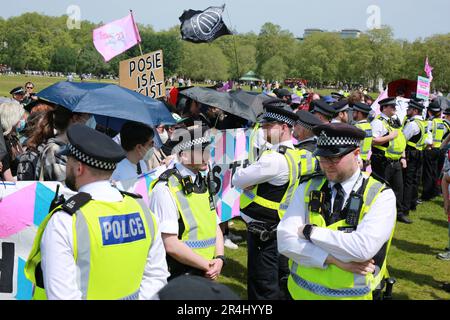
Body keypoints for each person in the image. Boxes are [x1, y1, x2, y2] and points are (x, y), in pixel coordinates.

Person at [25, 124, 169, 299]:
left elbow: (62, 296)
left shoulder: (66, 220)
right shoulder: (143, 212)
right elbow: (156, 278)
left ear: (79, 168)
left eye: (68, 161)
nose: (66, 166)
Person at [278, 123, 396, 300]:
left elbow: (362, 249)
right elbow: (285, 241)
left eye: (334, 158)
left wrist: (309, 231)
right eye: (323, 158)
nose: (326, 165)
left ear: (356, 153)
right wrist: (334, 260)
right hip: (299, 293)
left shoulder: (381, 195)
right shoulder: (309, 186)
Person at [233, 99, 300, 300]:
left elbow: (238, 179)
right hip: (280, 225)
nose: (263, 131)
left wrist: (248, 181)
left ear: (285, 127)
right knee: (279, 279)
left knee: (262, 285)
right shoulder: (294, 154)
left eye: (269, 126)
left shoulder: (274, 159)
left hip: (263, 230)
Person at [149, 125, 225, 281]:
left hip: (206, 270)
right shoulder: (165, 188)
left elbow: (214, 224)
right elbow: (170, 244)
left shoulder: (202, 180)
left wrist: (220, 258)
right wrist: (208, 265)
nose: (207, 157)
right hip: (181, 274)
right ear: (183, 156)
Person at [371, 97, 409, 224]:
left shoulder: (395, 121)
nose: (394, 109)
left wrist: (403, 157)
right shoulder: (378, 122)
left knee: (399, 188)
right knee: (381, 189)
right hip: (383, 161)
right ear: (385, 108)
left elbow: (401, 140)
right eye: (392, 107)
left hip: (396, 161)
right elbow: (373, 140)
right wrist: (389, 137)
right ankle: (378, 214)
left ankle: (398, 213)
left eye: (395, 107)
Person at [402, 100, 428, 220]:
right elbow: (429, 140)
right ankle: (412, 204)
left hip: (410, 154)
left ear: (415, 110)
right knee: (414, 181)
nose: (408, 110)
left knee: (407, 181)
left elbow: (403, 138)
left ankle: (404, 209)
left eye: (410, 108)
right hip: (419, 153)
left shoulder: (412, 124)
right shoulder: (423, 122)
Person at [422, 102, 448, 201]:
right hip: (440, 149)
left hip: (430, 149)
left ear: (429, 112)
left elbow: (426, 136)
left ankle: (426, 195)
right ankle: (434, 191)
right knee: (435, 172)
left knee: (428, 173)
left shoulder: (430, 122)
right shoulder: (442, 122)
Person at [293, 110, 322, 178]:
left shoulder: (306, 152)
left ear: (301, 130)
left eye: (295, 125)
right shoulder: (316, 145)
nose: (292, 128)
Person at [352, 102, 373, 170]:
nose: (352, 114)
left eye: (354, 112)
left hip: (357, 160)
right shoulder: (369, 125)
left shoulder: (357, 127)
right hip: (365, 159)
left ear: (359, 113)